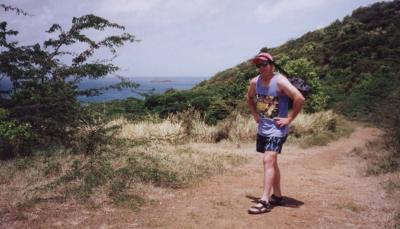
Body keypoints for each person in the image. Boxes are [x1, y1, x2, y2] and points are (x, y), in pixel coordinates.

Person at [246, 52, 305, 214]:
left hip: (278, 129)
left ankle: (264, 200)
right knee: (272, 162)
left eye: (264, 64)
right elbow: (249, 98)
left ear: (271, 64)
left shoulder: (280, 81)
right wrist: (255, 115)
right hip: (263, 128)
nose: (261, 68)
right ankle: (277, 196)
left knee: (268, 159)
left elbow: (299, 98)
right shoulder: (254, 82)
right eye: (258, 65)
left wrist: (289, 119)